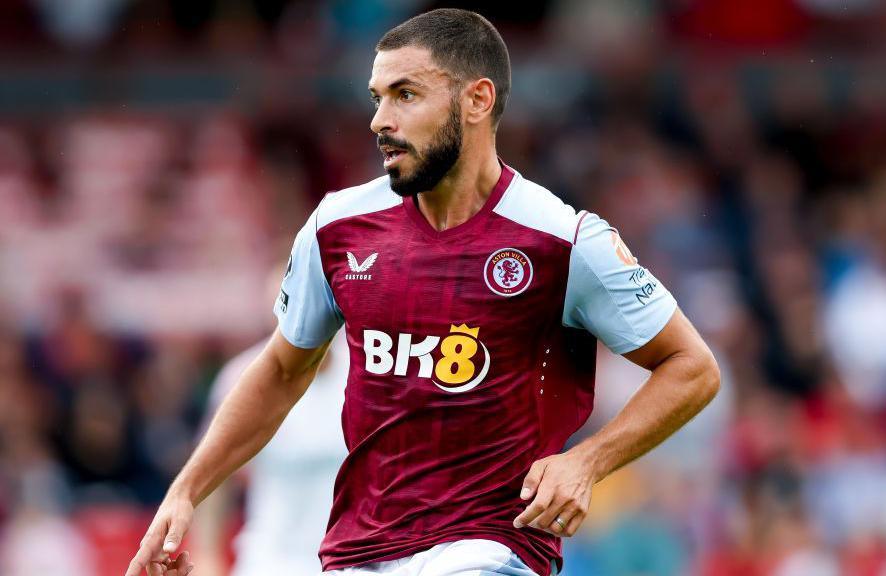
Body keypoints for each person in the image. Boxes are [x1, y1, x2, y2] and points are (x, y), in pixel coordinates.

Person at [125, 9, 720, 576]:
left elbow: (691, 367)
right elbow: (283, 369)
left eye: (405, 95)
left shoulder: (562, 239)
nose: (380, 120)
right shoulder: (337, 227)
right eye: (376, 98)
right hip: (358, 548)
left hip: (490, 543)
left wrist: (588, 460)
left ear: (477, 100)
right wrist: (186, 492)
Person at [191, 330, 348, 576]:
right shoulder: (243, 377)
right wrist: (206, 557)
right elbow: (212, 475)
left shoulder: (371, 372)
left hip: (355, 563)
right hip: (271, 561)